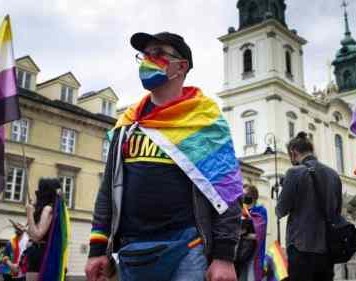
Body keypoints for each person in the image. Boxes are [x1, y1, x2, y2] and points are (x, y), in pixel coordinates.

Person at [84, 31, 242, 281]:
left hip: (187, 250)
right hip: (132, 252)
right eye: (145, 55)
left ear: (180, 67)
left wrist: (224, 257)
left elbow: (227, 193)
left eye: (158, 54)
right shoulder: (127, 124)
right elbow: (107, 193)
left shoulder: (204, 121)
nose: (148, 60)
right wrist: (97, 249)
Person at [276, 132, 342, 281]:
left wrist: (284, 188)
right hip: (327, 248)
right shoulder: (333, 175)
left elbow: (280, 210)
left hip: (301, 247)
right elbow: (337, 211)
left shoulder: (294, 173)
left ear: (293, 153)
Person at [24, 178, 60, 281]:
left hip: (40, 253)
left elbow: (37, 236)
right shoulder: (50, 208)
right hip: (38, 252)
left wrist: (30, 214)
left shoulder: (48, 209)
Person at [237, 184, 268, 281]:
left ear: (252, 198)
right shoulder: (239, 210)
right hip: (238, 255)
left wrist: (244, 233)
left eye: (244, 196)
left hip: (253, 256)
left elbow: (258, 233)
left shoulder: (260, 211)